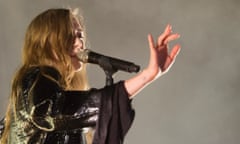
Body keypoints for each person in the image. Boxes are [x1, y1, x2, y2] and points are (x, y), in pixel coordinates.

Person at [0, 8, 181, 144]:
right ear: (49, 42)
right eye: (71, 36)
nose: (80, 43)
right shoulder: (35, 78)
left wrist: (149, 75)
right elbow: (55, 112)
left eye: (81, 36)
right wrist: (146, 76)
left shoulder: (55, 92)